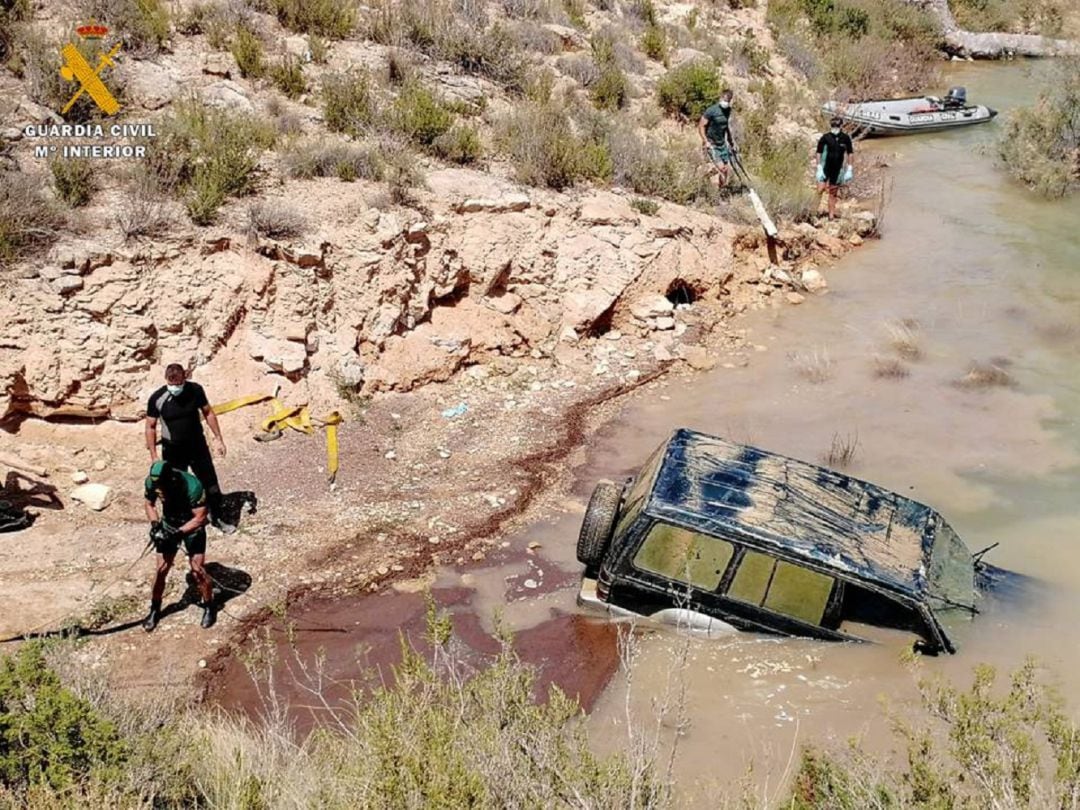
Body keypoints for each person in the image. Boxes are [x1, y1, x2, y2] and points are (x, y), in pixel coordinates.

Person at [145, 364, 233, 532]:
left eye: (178, 384)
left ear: (185, 378)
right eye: (171, 384)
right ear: (166, 380)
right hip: (172, 450)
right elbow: (150, 426)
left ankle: (217, 517)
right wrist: (154, 455)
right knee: (174, 486)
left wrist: (218, 438)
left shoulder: (195, 390)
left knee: (210, 482)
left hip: (197, 446)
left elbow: (208, 413)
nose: (175, 388)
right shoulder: (158, 398)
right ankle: (179, 522)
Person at [143, 460, 215, 631]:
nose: (158, 487)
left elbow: (200, 518)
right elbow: (149, 504)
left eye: (161, 484)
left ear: (171, 478)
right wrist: (155, 525)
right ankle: (154, 609)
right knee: (161, 570)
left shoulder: (192, 486)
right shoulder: (151, 482)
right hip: (169, 524)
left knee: (198, 571)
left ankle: (209, 606)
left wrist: (177, 534)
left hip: (191, 528)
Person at [815, 117, 855, 220]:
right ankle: (813, 211)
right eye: (833, 126)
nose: (835, 128)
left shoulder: (845, 138)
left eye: (837, 126)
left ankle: (831, 216)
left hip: (837, 169)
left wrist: (849, 168)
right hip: (825, 167)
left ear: (841, 126)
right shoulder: (825, 137)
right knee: (820, 189)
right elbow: (819, 152)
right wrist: (819, 167)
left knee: (833, 193)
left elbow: (850, 153)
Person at [699, 89, 736, 189]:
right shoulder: (711, 111)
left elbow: (726, 126)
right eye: (724, 100)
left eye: (727, 101)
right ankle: (713, 192)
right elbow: (701, 125)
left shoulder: (728, 110)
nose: (725, 103)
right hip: (712, 144)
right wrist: (705, 141)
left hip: (722, 144)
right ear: (720, 98)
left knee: (726, 170)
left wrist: (731, 141)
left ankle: (720, 190)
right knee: (721, 168)